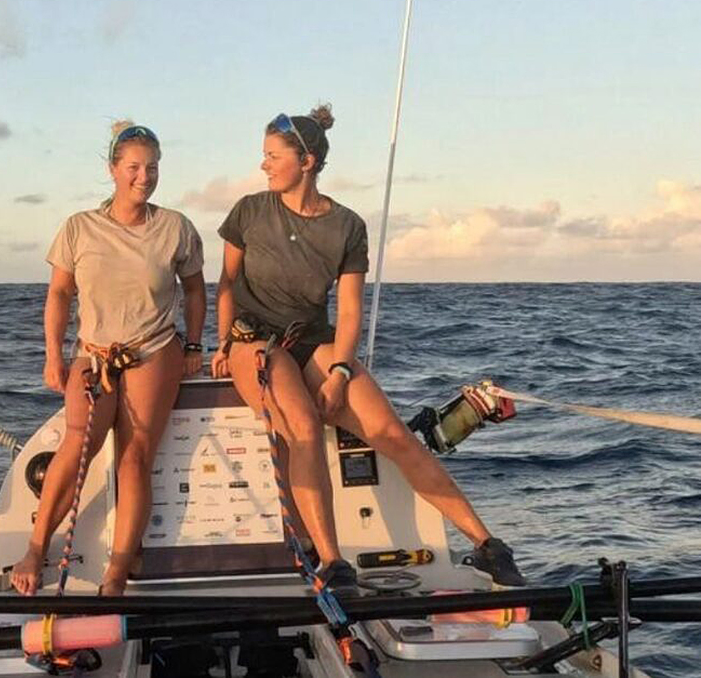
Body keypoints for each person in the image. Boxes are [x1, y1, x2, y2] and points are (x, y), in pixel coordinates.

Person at [210, 105, 524, 588]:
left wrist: (339, 372)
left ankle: (487, 546)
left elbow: (350, 311)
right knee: (304, 429)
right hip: (253, 342)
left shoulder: (347, 226)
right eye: (264, 156)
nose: (264, 165)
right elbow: (226, 282)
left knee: (391, 433)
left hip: (314, 341)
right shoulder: (250, 211)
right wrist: (222, 340)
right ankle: (332, 561)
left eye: (273, 156)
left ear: (307, 161)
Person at [11, 121, 206, 596]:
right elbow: (59, 294)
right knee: (79, 443)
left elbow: (196, 288)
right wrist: (53, 356)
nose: (145, 176)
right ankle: (37, 547)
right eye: (135, 167)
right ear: (113, 169)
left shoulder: (175, 227)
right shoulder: (80, 227)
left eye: (153, 167)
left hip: (155, 349)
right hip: (94, 354)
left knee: (136, 457)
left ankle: (117, 570)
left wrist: (196, 345)